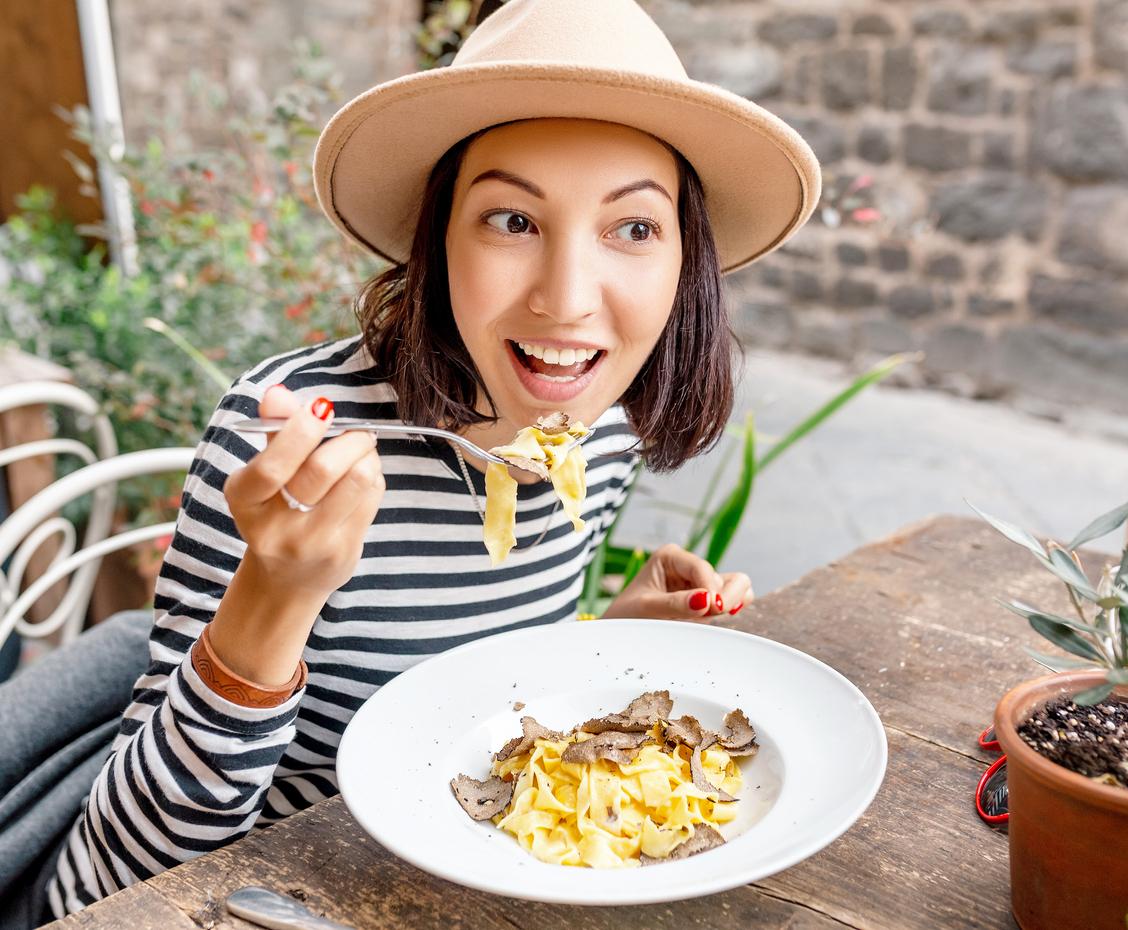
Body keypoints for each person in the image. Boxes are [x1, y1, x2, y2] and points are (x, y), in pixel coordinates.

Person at [38, 0, 819, 918]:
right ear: (436, 238)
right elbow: (133, 865)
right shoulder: (290, 447)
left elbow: (470, 703)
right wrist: (274, 595)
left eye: (634, 229)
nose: (568, 301)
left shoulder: (601, 435)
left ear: (686, 262)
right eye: (511, 221)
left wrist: (607, 637)